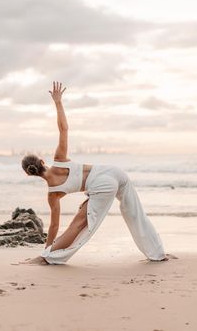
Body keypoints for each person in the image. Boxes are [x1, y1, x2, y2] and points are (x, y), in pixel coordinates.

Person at [21, 81, 168, 265]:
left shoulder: (53, 194)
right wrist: (58, 102)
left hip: (103, 185)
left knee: (79, 224)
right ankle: (158, 252)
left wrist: (47, 249)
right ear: (42, 161)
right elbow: (64, 129)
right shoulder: (59, 159)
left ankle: (46, 258)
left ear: (29, 174)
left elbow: (54, 226)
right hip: (114, 172)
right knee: (135, 213)